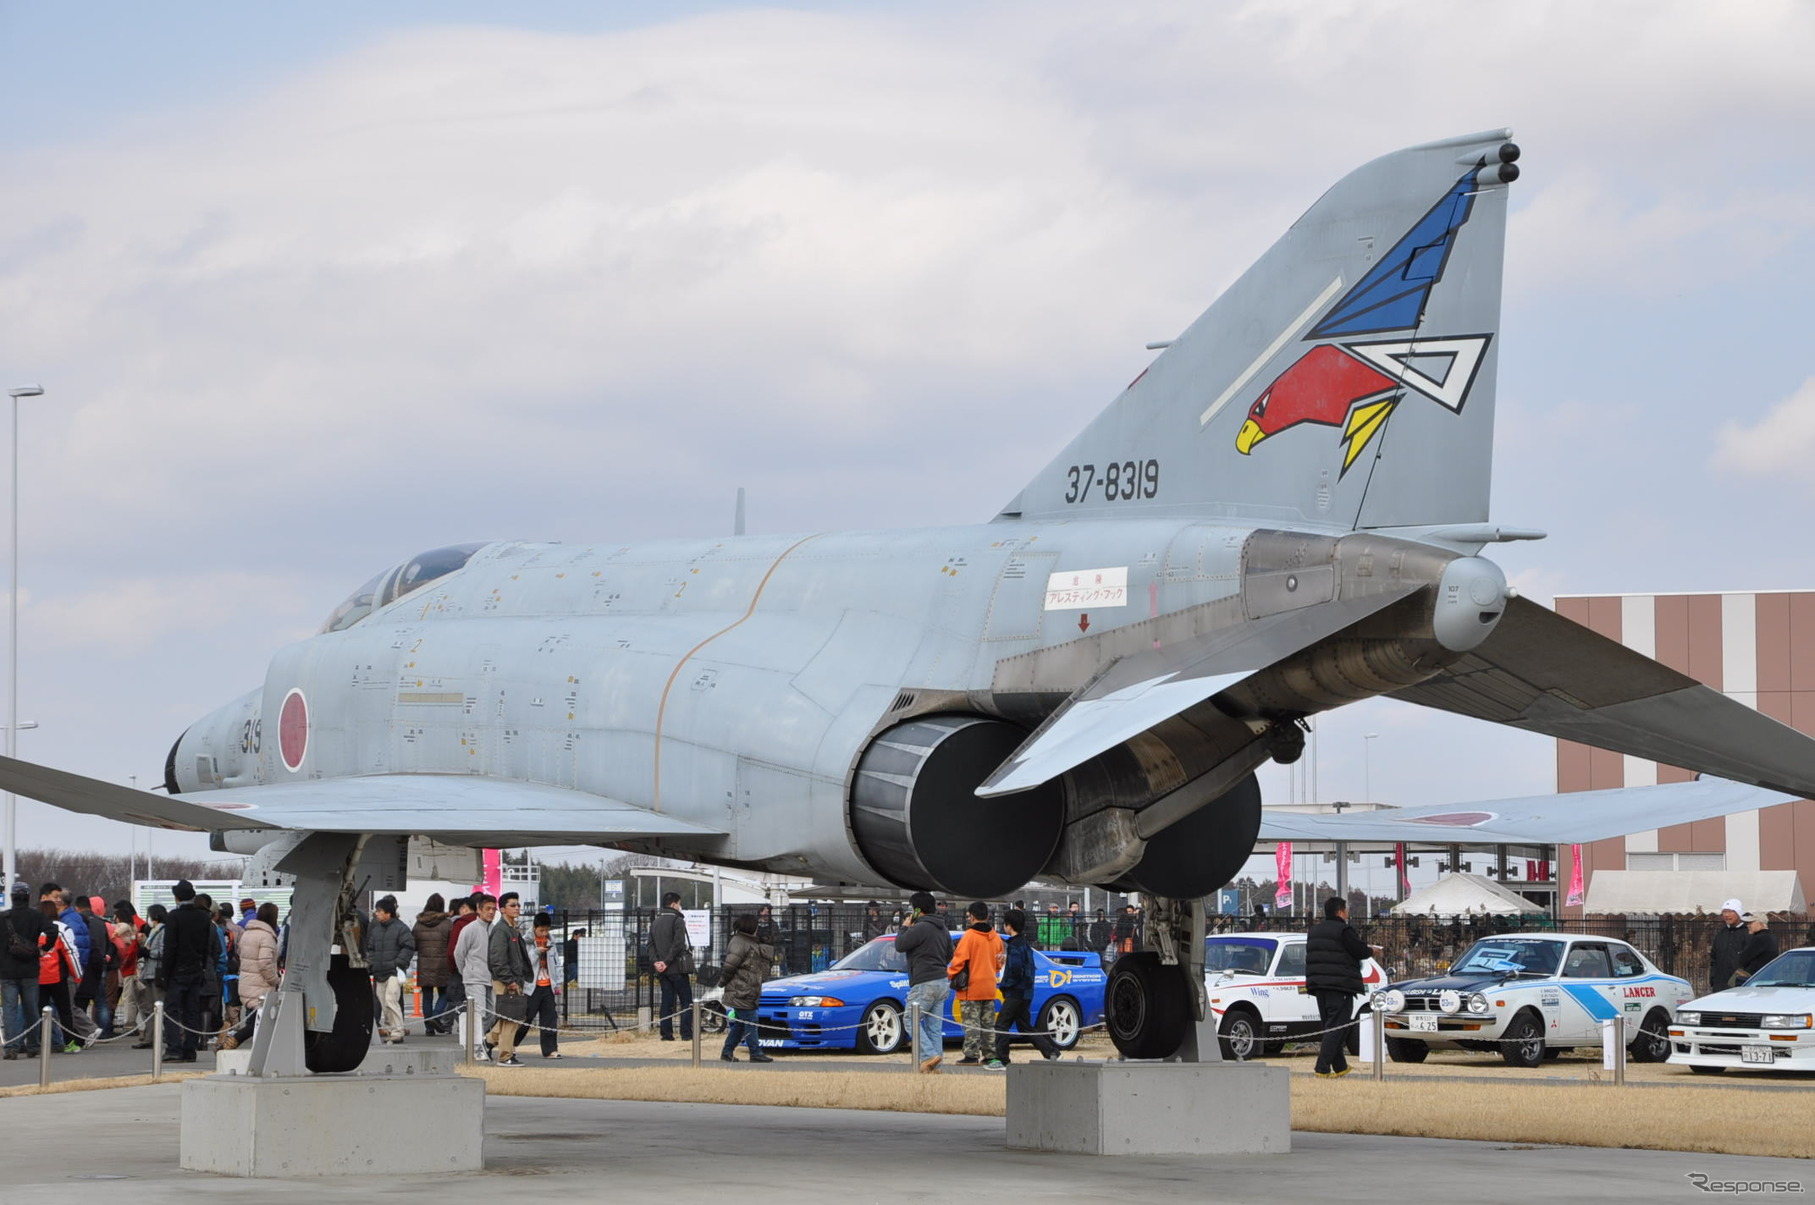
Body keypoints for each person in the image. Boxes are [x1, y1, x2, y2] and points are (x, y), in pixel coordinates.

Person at [1305, 895, 1374, 1078]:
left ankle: (1340, 1066)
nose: (1347, 914)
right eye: (1346, 910)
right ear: (1340, 912)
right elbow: (1359, 951)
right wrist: (1371, 950)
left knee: (1330, 1025)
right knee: (1338, 1027)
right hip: (1340, 985)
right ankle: (1322, 1068)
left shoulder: (1314, 931)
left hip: (1319, 985)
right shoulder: (1344, 930)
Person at [992, 908, 1060, 1068]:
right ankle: (1051, 1051)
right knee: (1025, 1026)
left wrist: (1005, 985)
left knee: (1002, 1025)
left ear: (1009, 926)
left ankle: (1002, 1059)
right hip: (1026, 992)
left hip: (1015, 992)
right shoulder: (1024, 943)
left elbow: (1016, 969)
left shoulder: (1014, 945)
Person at [160, 879, 219, 1064]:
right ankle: (190, 1049)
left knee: (171, 1010)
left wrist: (165, 972)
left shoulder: (174, 917)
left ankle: (174, 1048)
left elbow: (169, 947)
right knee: (191, 1010)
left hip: (177, 970)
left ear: (176, 897)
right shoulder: (203, 918)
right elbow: (205, 947)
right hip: (196, 969)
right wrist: (202, 966)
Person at [895, 891, 952, 1073]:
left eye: (912, 909)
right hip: (942, 981)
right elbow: (950, 954)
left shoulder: (920, 928)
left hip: (924, 981)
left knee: (910, 1019)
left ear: (918, 910)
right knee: (934, 1027)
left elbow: (900, 945)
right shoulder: (943, 928)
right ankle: (936, 1066)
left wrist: (904, 927)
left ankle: (928, 1056)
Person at [948, 901, 1005, 1065]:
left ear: (971, 916)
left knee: (971, 1023)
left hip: (971, 986)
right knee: (988, 1023)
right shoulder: (995, 937)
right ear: (987, 916)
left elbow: (959, 961)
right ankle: (989, 1055)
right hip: (989, 985)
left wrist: (950, 974)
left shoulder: (969, 936)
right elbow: (999, 963)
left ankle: (971, 1055)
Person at [220, 902, 281, 1051]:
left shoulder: (247, 933)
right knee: (258, 1021)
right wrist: (276, 980)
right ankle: (231, 1042)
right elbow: (265, 963)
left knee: (255, 1020)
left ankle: (245, 1046)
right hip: (260, 985)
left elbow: (240, 955)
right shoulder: (266, 937)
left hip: (247, 982)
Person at [717, 912, 775, 1063]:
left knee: (742, 1025)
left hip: (747, 989)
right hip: (741, 989)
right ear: (750, 927)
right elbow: (730, 966)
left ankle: (727, 1052)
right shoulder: (739, 942)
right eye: (756, 926)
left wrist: (767, 946)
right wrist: (722, 982)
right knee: (751, 1021)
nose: (758, 929)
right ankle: (755, 1052)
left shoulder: (750, 942)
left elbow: (764, 967)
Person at [2, 884, 50, 1059]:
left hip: (7, 970)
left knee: (9, 1009)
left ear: (12, 897)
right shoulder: (36, 916)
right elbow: (53, 930)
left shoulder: (3, 917)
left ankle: (12, 1047)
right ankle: (33, 1045)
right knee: (31, 1007)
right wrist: (44, 948)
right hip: (30, 968)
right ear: (29, 897)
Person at [486, 892, 531, 1067]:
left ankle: (489, 1041)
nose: (517, 908)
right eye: (513, 905)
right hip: (506, 980)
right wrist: (509, 980)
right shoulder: (501, 930)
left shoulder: (512, 928)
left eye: (518, 905)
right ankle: (505, 1056)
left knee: (512, 1018)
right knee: (511, 1019)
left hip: (514, 979)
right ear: (503, 909)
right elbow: (497, 959)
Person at [365, 894, 417, 1044]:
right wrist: (373, 964)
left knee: (391, 999)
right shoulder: (376, 930)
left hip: (394, 971)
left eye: (380, 911)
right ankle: (390, 1027)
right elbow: (371, 949)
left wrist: (398, 963)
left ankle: (397, 1030)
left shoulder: (401, 928)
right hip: (379, 971)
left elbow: (408, 947)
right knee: (383, 1001)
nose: (377, 913)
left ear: (388, 913)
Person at [513, 912, 563, 1059]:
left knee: (549, 1018)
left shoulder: (551, 942)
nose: (544, 933)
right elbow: (524, 964)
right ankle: (512, 1043)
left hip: (548, 984)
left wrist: (557, 983)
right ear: (534, 927)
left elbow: (556, 963)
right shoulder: (526, 941)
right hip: (531, 986)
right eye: (541, 930)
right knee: (526, 1018)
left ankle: (550, 1049)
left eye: (547, 930)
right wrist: (536, 952)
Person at [452, 894, 497, 1059]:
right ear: (479, 909)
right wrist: (465, 971)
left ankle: (477, 1041)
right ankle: (476, 1047)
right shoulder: (469, 929)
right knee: (479, 1013)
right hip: (473, 977)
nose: (491, 912)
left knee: (491, 1013)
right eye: (488, 909)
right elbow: (458, 953)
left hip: (490, 978)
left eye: (494, 909)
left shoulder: (494, 929)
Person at [36, 899, 83, 1053]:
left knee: (37, 1012)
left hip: (35, 977)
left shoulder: (33, 928)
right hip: (57, 976)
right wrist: (77, 975)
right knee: (65, 1011)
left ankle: (39, 1043)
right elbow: (71, 953)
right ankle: (69, 1043)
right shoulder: (62, 928)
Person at [649, 891, 694, 1042]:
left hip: (662, 970)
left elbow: (650, 945)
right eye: (679, 904)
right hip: (677, 968)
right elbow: (678, 944)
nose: (680, 907)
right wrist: (667, 962)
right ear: (674, 904)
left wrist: (657, 962)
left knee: (667, 1001)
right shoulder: (678, 921)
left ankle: (666, 1034)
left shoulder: (655, 922)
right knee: (686, 1000)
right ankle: (686, 1034)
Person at [412, 893, 453, 1034]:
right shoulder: (447, 923)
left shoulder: (418, 924)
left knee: (427, 996)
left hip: (424, 963)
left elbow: (414, 945)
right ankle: (436, 1015)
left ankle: (429, 1028)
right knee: (445, 993)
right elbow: (451, 945)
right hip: (443, 964)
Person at [110, 901, 148, 1042]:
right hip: (133, 967)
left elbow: (113, 936)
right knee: (139, 998)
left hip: (127, 967)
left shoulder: (123, 927)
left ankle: (130, 1024)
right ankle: (148, 1022)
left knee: (128, 998)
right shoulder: (135, 928)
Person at [132, 904, 168, 1049]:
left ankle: (155, 1037)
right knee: (148, 1007)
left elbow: (163, 951)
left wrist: (148, 953)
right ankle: (149, 1037)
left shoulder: (163, 931)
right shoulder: (154, 931)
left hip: (157, 972)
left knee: (158, 1006)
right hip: (148, 971)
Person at [443, 895, 478, 1037]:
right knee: (474, 1001)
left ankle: (458, 1027)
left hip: (461, 969)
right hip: (479, 970)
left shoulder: (460, 923)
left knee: (456, 999)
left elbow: (454, 951)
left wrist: (455, 967)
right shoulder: (485, 924)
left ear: (465, 908)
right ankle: (467, 1029)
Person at [1710, 899, 1750, 991]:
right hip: (1720, 984)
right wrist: (1713, 978)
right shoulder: (1721, 934)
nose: (1727, 915)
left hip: (1741, 985)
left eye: (1730, 911)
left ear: (1739, 913)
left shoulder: (1748, 933)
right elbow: (1714, 958)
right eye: (1724, 912)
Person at [1734, 913, 1779, 985]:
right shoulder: (1772, 937)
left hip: (1754, 978)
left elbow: (1743, 958)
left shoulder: (1758, 938)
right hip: (1768, 977)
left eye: (1751, 923)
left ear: (1760, 924)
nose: (1748, 925)